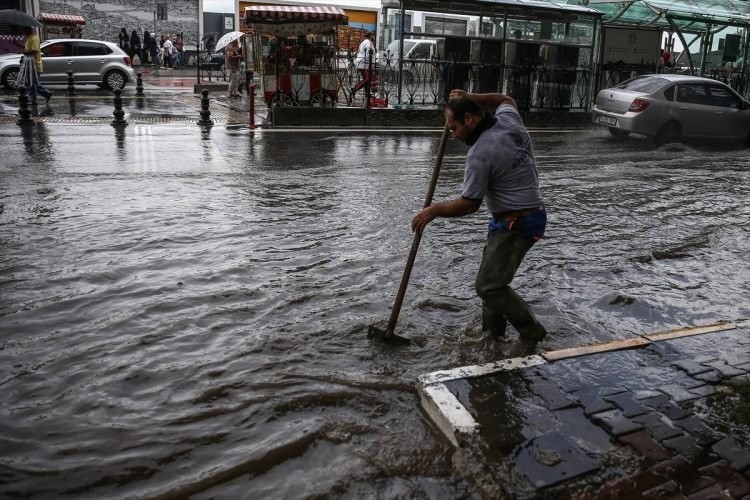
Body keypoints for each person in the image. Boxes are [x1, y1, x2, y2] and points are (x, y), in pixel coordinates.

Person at [411, 89, 548, 358]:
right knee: (493, 283)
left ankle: (531, 332)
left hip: (517, 224)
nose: (451, 134)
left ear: (470, 119)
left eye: (454, 127)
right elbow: (506, 100)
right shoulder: (509, 121)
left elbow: (469, 204)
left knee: (489, 286)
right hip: (520, 216)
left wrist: (434, 210)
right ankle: (493, 337)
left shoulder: (480, 153)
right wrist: (472, 96)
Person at [21, 26, 52, 105]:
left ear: (29, 30)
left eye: (24, 30)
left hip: (34, 65)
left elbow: (35, 50)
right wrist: (16, 44)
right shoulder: (29, 38)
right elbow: (27, 49)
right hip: (30, 64)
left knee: (32, 83)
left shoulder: (33, 38)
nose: (23, 32)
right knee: (33, 83)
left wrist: (26, 53)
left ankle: (33, 99)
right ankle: (46, 94)